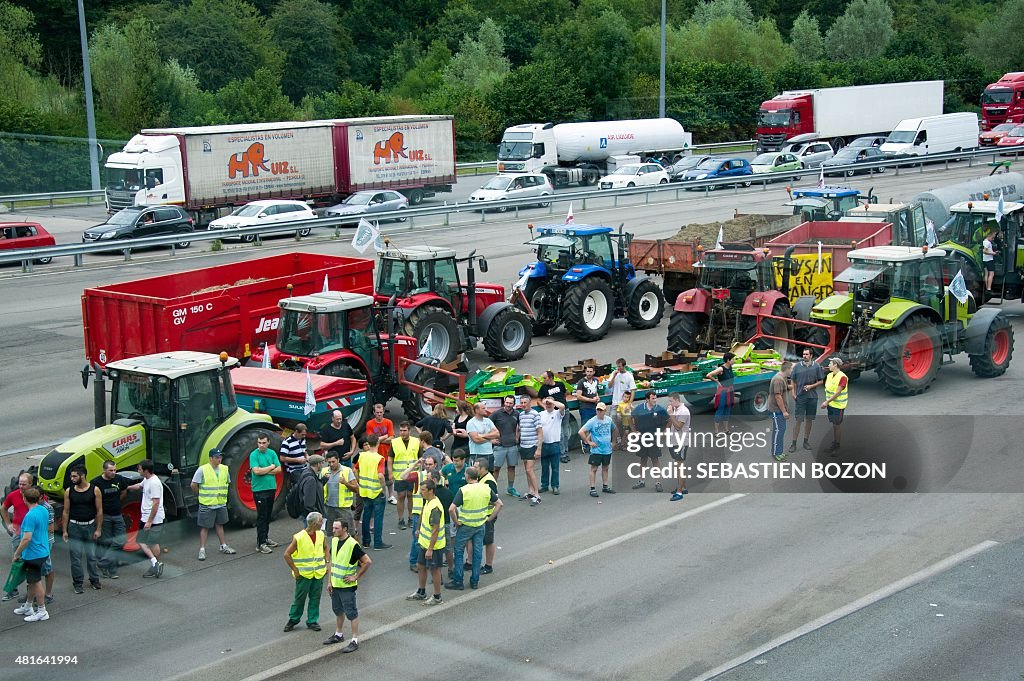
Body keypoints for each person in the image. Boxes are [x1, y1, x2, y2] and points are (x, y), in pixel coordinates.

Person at [446, 467, 501, 590]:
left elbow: (451, 509)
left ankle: (458, 581)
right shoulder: (485, 488)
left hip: (465, 526)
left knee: (459, 552)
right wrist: (490, 518)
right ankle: (475, 581)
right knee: (477, 553)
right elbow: (499, 504)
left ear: (467, 476)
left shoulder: (464, 490)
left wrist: (456, 522)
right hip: (480, 525)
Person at [323, 519, 370, 652]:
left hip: (347, 587)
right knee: (338, 610)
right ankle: (338, 634)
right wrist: (329, 581)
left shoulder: (352, 545)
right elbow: (332, 562)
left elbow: (367, 561)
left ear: (345, 529)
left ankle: (354, 640)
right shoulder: (334, 540)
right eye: (333, 528)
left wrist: (356, 576)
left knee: (351, 613)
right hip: (335, 585)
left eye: (337, 528)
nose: (334, 530)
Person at [283, 512, 327, 632]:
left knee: (315, 598)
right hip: (304, 575)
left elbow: (325, 548)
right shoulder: (299, 537)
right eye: (320, 521)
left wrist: (326, 562)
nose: (322, 523)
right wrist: (295, 570)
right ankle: (293, 619)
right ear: (314, 523)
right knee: (300, 598)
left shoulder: (321, 535)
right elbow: (287, 554)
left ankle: (312, 621)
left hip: (318, 573)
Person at [61, 465, 103, 592]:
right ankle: (78, 583)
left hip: (90, 526)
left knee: (91, 555)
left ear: (82, 475)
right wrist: (64, 530)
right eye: (71, 476)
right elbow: (65, 512)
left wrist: (98, 529)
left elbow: (99, 510)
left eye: (74, 476)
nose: (72, 478)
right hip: (74, 527)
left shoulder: (95, 490)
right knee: (75, 557)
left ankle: (94, 580)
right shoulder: (69, 491)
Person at [190, 448, 236, 561]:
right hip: (207, 504)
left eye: (220, 457)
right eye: (217, 457)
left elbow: (227, 483)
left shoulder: (225, 469)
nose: (219, 459)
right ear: (211, 458)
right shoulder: (202, 470)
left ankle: (223, 546)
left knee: (220, 525)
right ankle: (202, 550)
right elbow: (193, 484)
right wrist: (199, 494)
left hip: (220, 503)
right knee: (205, 527)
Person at [12, 487, 50, 622]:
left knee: (36, 582)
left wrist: (17, 553)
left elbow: (27, 538)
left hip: (34, 554)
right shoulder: (43, 510)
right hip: (42, 550)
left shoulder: (30, 516)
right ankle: (28, 606)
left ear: (24, 499)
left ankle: (41, 610)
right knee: (32, 581)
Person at [405, 480, 445, 606]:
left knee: (434, 569)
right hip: (424, 542)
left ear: (431, 491)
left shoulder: (435, 507)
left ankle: (437, 596)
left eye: (423, 490)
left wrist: (430, 549)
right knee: (421, 565)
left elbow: (435, 530)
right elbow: (423, 514)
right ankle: (421, 592)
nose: (420, 492)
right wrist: (418, 528)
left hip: (433, 546)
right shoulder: (428, 501)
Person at [93, 461, 130, 579]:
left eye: (115, 470)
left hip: (118, 514)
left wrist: (118, 501)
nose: (114, 472)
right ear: (104, 470)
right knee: (107, 542)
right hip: (105, 516)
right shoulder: (96, 482)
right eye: (111, 470)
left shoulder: (119, 479)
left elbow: (124, 490)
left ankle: (103, 562)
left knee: (121, 540)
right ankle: (111, 570)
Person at [128, 459, 165, 578]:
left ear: (146, 470)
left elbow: (156, 503)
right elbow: (139, 486)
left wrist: (149, 521)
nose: (138, 470)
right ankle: (155, 564)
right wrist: (127, 487)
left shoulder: (154, 483)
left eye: (139, 469)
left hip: (153, 519)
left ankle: (155, 563)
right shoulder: (147, 479)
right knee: (147, 541)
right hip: (146, 517)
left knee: (148, 542)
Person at [402, 456, 438, 572]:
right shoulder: (419, 475)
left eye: (430, 464)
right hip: (418, 512)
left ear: (435, 465)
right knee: (417, 538)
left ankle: (425, 560)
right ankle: (414, 562)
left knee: (429, 537)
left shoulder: (438, 477)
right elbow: (403, 476)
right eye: (426, 464)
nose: (427, 466)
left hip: (431, 511)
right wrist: (415, 464)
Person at [357, 435, 391, 550]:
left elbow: (355, 470)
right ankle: (378, 542)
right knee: (377, 517)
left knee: (366, 515)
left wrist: (359, 481)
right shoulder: (379, 458)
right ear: (378, 443)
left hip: (365, 490)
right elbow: (381, 475)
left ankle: (366, 542)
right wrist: (383, 488)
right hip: (376, 491)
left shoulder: (362, 456)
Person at [250, 434, 282, 554]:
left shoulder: (272, 453)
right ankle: (260, 543)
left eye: (263, 443)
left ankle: (266, 538)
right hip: (259, 490)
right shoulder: (254, 455)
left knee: (268, 515)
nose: (261, 445)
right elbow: (256, 471)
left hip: (271, 488)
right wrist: (270, 467)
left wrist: (265, 470)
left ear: (268, 442)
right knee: (262, 516)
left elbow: (279, 469)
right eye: (259, 443)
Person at [2, 473, 31, 601]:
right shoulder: (13, 495)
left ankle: (32, 592)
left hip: (32, 535)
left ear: (30, 484)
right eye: (20, 483)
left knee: (32, 564)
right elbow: (3, 508)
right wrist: (9, 524)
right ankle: (13, 590)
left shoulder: (36, 496)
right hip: (18, 534)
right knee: (16, 562)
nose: (21, 486)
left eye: (24, 484)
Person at [789, 348, 824, 452]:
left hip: (812, 397)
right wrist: (793, 393)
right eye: (803, 354)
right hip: (800, 397)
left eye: (806, 354)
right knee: (798, 420)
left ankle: (806, 442)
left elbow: (821, 381)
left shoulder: (816, 366)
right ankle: (793, 443)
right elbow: (793, 380)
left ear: (811, 355)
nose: (804, 356)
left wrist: (811, 386)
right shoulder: (797, 367)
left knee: (809, 420)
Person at [631, 392, 668, 490]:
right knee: (643, 459)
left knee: (655, 459)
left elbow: (668, 420)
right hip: (642, 437)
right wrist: (634, 431)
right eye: (653, 398)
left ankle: (658, 482)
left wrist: (664, 431)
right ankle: (642, 481)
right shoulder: (639, 408)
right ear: (647, 399)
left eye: (655, 398)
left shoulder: (660, 409)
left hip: (654, 438)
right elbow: (630, 418)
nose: (655, 400)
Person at [579, 403, 616, 497]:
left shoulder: (609, 420)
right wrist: (588, 442)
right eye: (598, 410)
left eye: (601, 410)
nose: (599, 412)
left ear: (605, 411)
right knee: (594, 468)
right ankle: (592, 488)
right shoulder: (592, 421)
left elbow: (614, 429)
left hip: (607, 449)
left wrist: (614, 442)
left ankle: (605, 486)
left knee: (606, 467)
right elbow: (581, 431)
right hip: (597, 450)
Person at [389, 422, 421, 530]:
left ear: (409, 431)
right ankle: (401, 519)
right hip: (399, 475)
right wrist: (390, 472)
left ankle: (411, 518)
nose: (402, 433)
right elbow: (390, 459)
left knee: (411, 496)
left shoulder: (416, 442)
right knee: (401, 496)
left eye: (404, 430)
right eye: (401, 430)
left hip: (413, 474)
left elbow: (420, 458)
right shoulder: (394, 442)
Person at [489, 395, 521, 497]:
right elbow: (486, 425)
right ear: (504, 402)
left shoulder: (517, 414)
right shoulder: (496, 414)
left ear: (513, 404)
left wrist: (517, 437)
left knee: (511, 467)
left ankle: (510, 488)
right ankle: (493, 490)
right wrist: (491, 440)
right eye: (506, 402)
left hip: (512, 446)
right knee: (496, 468)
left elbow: (519, 427)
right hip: (500, 446)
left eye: (510, 403)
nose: (508, 405)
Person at [474, 457, 501, 574]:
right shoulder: (481, 478)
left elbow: (494, 499)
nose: (474, 469)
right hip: (483, 515)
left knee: (489, 541)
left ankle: (488, 566)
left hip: (488, 515)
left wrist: (490, 518)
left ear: (483, 468)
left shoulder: (488, 481)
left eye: (476, 467)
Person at [322, 453, 358, 538]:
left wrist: (345, 483)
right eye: (329, 462)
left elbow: (356, 489)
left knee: (350, 532)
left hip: (344, 508)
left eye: (333, 461)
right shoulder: (324, 471)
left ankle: (356, 550)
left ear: (338, 460)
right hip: (329, 507)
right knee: (330, 533)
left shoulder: (347, 470)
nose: (331, 464)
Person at [365, 404, 396, 504]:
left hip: (387, 455)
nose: (379, 414)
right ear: (374, 413)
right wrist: (385, 436)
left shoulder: (388, 422)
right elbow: (371, 440)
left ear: (383, 412)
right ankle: (380, 494)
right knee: (377, 476)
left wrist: (378, 440)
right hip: (375, 456)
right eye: (377, 413)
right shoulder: (369, 423)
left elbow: (391, 438)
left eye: (380, 412)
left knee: (389, 476)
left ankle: (391, 496)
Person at [517, 395, 543, 505]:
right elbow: (519, 429)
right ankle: (531, 491)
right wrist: (517, 438)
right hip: (523, 445)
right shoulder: (521, 415)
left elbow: (540, 432)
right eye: (521, 403)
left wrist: (539, 448)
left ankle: (537, 495)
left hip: (532, 445)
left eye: (525, 403)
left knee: (529, 470)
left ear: (530, 403)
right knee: (526, 471)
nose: (523, 405)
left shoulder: (535, 414)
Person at [820, 357, 849, 454]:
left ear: (835, 365)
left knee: (837, 425)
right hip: (831, 405)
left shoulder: (843, 377)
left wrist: (826, 402)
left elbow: (838, 392)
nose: (828, 365)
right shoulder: (829, 375)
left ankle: (837, 446)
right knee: (834, 424)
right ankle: (835, 443)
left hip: (838, 406)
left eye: (830, 363)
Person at [538, 397, 565, 495]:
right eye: (547, 404)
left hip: (555, 443)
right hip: (544, 444)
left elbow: (562, 406)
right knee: (544, 466)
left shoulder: (558, 414)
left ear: (554, 404)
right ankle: (544, 485)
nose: (548, 405)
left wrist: (552, 401)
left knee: (555, 467)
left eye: (550, 404)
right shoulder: (541, 414)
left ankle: (555, 486)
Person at [574, 366, 601, 461]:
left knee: (594, 427)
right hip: (585, 407)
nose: (589, 373)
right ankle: (585, 444)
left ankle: (590, 443)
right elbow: (578, 396)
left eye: (591, 371)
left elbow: (596, 392)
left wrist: (597, 398)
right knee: (585, 427)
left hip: (594, 407)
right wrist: (590, 400)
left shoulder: (596, 381)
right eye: (587, 371)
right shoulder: (581, 382)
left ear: (593, 372)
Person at [706, 352, 736, 437]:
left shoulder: (730, 367)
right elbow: (709, 375)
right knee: (720, 410)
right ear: (728, 360)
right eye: (733, 359)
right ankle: (716, 432)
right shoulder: (721, 369)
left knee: (727, 410)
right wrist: (717, 382)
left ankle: (726, 430)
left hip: (730, 391)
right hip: (723, 392)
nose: (734, 361)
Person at [667, 393, 690, 501]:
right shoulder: (676, 409)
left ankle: (679, 492)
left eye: (671, 401)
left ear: (677, 400)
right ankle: (683, 487)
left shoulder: (683, 411)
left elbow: (678, 427)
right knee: (678, 465)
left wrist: (671, 414)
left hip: (681, 442)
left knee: (680, 466)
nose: (669, 403)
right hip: (675, 441)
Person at [609, 359, 636, 450]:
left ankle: (624, 443)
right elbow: (609, 386)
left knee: (626, 425)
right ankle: (615, 443)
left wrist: (629, 403)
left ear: (624, 366)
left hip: (624, 405)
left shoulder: (629, 376)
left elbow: (633, 390)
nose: (618, 368)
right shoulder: (614, 373)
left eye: (620, 366)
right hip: (615, 404)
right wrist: (614, 376)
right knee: (613, 424)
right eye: (617, 366)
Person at [463, 402, 499, 470]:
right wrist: (490, 438)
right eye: (483, 408)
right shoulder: (471, 423)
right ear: (477, 410)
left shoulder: (488, 421)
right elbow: (476, 440)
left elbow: (497, 434)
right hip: (477, 454)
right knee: (477, 475)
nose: (485, 409)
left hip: (489, 453)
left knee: (490, 474)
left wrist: (481, 435)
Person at [769, 362, 793, 462]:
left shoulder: (782, 378)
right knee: (778, 431)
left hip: (779, 410)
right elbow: (778, 396)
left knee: (781, 431)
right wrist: (784, 412)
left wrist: (788, 387)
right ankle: (776, 453)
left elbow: (781, 390)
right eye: (791, 369)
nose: (792, 371)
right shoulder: (778, 379)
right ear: (787, 369)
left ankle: (779, 451)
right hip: (777, 410)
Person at [297, 455, 327, 522]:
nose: (322, 465)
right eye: (322, 463)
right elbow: (309, 502)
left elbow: (316, 488)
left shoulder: (307, 473)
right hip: (312, 517)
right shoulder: (311, 479)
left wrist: (324, 479)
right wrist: (316, 515)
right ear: (318, 464)